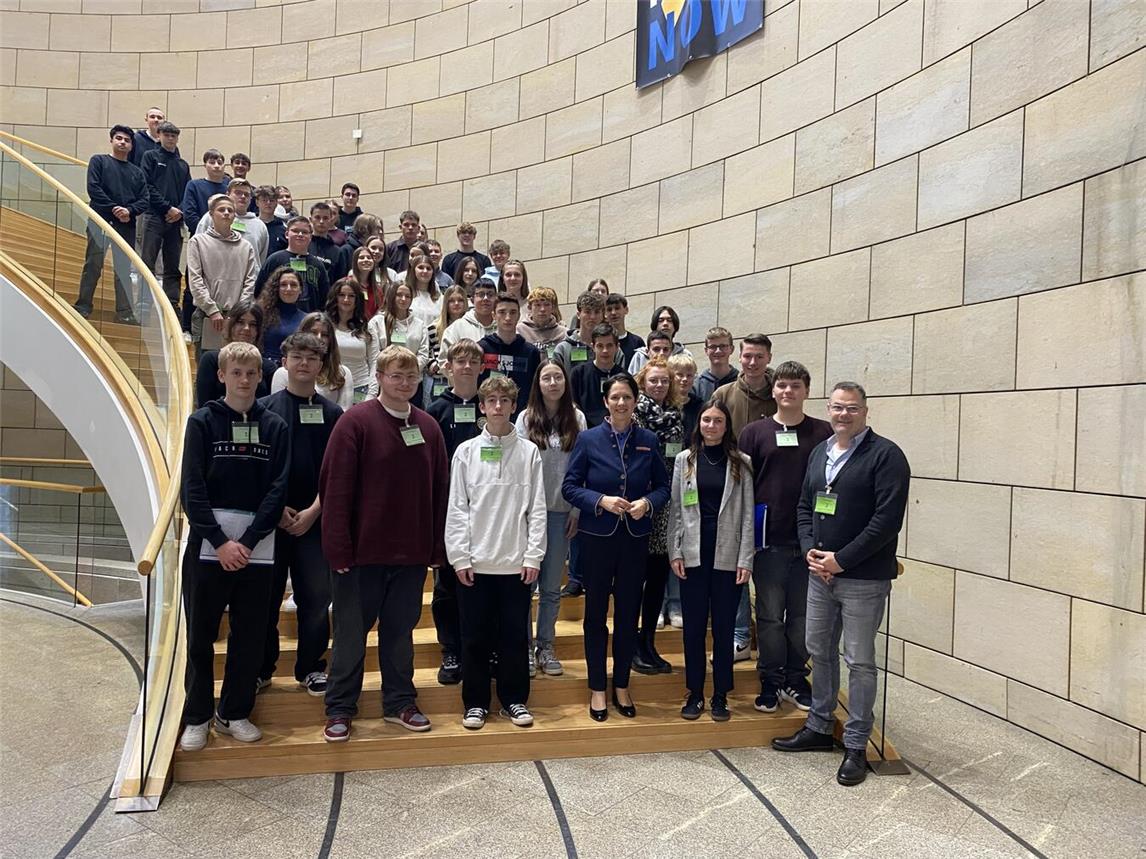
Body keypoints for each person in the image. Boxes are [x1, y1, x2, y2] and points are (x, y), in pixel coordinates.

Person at [772, 382, 910, 787]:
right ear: (828, 409)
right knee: (818, 649)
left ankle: (855, 744)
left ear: (865, 411)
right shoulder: (821, 451)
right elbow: (805, 506)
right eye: (837, 408)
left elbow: (886, 521)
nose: (843, 415)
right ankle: (819, 725)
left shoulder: (886, 456)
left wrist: (841, 560)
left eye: (851, 408)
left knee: (860, 661)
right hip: (819, 575)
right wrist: (810, 552)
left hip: (863, 578)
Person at [319, 345, 450, 741]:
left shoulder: (428, 427)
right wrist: (338, 549)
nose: (404, 383)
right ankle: (340, 708)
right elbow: (335, 489)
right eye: (396, 375)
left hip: (410, 556)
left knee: (399, 635)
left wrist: (436, 548)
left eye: (411, 376)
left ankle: (399, 702)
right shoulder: (354, 423)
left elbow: (440, 491)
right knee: (350, 636)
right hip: (361, 557)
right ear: (378, 378)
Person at [177, 341, 290, 752]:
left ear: (261, 377)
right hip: (209, 550)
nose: (244, 380)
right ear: (221, 375)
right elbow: (192, 488)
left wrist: (248, 541)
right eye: (236, 373)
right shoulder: (202, 422)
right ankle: (197, 716)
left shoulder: (275, 426)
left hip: (257, 552)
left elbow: (278, 489)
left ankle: (233, 713)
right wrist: (221, 542)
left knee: (249, 637)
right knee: (200, 637)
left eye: (251, 373)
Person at [562, 374, 670, 721]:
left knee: (627, 615)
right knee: (595, 616)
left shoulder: (648, 440)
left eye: (627, 397)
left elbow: (663, 487)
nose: (621, 403)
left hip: (634, 541)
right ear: (606, 402)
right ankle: (597, 688)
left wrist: (647, 504)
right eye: (615, 397)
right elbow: (570, 487)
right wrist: (601, 500)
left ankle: (621, 684)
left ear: (635, 401)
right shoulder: (588, 439)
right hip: (596, 539)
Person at [446, 375, 547, 730]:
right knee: (474, 637)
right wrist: (460, 557)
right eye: (492, 401)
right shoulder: (465, 452)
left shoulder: (529, 452)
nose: (499, 406)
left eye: (505, 400)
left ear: (514, 406)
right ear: (482, 407)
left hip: (516, 564)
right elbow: (457, 508)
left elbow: (537, 509)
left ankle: (514, 700)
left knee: (514, 637)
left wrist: (533, 556)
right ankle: (475, 703)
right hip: (476, 563)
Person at [739, 361, 833, 715]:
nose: (788, 391)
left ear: (807, 391)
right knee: (769, 617)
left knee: (802, 618)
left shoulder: (824, 432)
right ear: (773, 390)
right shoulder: (754, 433)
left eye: (795, 385)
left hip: (812, 545)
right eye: (782, 385)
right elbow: (742, 488)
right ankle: (770, 679)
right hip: (769, 541)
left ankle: (795, 677)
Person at [256, 332, 342, 697]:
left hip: (314, 520)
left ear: (321, 365)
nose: (304, 363)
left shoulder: (333, 414)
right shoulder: (262, 409)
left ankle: (311, 667)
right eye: (297, 356)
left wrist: (312, 512)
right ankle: (262, 668)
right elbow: (256, 469)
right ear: (284, 362)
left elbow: (337, 473)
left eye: (312, 357)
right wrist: (275, 511)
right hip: (270, 522)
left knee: (316, 600)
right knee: (265, 599)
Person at [667, 398, 754, 721]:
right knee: (692, 628)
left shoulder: (741, 462)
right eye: (706, 420)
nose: (711, 426)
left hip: (728, 555)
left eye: (718, 421)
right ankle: (694, 692)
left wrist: (746, 559)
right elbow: (677, 509)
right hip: (693, 554)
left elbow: (748, 514)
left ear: (726, 425)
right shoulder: (685, 460)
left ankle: (720, 695)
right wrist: (675, 550)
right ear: (699, 424)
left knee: (723, 627)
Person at [516, 359, 585, 678]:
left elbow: (583, 466)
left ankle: (546, 646)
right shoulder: (525, 418)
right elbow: (517, 467)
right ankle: (524, 648)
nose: (553, 382)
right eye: (547, 377)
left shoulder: (577, 418)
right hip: (529, 515)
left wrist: (577, 510)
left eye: (558, 377)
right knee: (525, 586)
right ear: (538, 383)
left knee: (551, 588)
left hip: (562, 512)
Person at [426, 339, 484, 685]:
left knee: (483, 583)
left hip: (487, 512)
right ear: (448, 367)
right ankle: (450, 650)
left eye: (472, 361)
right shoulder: (435, 410)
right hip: (449, 511)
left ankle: (480, 648)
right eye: (460, 361)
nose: (466, 367)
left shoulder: (490, 405)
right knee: (447, 585)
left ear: (481, 367)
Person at [631, 357, 686, 676]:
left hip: (668, 504)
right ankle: (632, 643)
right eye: (653, 380)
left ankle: (648, 641)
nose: (659, 385)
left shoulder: (676, 414)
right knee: (636, 582)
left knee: (656, 579)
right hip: (641, 503)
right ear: (643, 382)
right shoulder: (635, 414)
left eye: (664, 380)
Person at [75, 124, 147, 325]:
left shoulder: (137, 172)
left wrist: (129, 211)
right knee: (93, 263)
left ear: (131, 145)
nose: (123, 142)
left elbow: (144, 199)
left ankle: (125, 312)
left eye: (127, 140)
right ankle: (83, 306)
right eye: (119, 138)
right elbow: (93, 189)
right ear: (112, 140)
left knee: (123, 270)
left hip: (126, 225)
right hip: (100, 221)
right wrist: (115, 208)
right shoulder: (99, 161)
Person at [187, 195, 258, 357]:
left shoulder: (246, 246)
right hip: (207, 315)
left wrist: (237, 314)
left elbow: (250, 282)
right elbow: (195, 280)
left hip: (236, 317)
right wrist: (212, 310)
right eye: (221, 210)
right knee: (207, 364)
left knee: (236, 362)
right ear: (211, 214)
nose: (226, 213)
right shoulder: (197, 242)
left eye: (230, 210)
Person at [139, 120, 190, 316]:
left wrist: (179, 211)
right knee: (147, 261)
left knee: (172, 265)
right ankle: (144, 303)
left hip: (175, 221)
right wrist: (167, 208)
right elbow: (146, 185)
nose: (170, 138)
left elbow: (187, 192)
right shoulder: (150, 157)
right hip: (154, 216)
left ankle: (172, 304)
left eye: (173, 136)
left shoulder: (182, 165)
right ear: (159, 136)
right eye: (166, 135)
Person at [195, 301, 277, 407]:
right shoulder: (211, 360)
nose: (246, 328)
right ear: (230, 325)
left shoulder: (268, 367)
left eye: (253, 324)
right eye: (240, 322)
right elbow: (204, 405)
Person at [271, 312, 354, 410]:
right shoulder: (283, 372)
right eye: (313, 332)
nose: (319, 338)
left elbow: (344, 411)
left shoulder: (342, 372)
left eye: (324, 335)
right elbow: (278, 408)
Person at [478, 295, 540, 417]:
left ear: (519, 316)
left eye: (513, 312)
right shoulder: (482, 349)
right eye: (502, 312)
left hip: (522, 417)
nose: (508, 318)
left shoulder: (531, 352)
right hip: (489, 416)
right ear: (494, 316)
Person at [368, 280, 431, 401]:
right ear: (392, 296)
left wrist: (406, 372)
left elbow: (423, 355)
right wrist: (393, 372)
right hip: (386, 382)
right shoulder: (377, 322)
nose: (403, 299)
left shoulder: (420, 325)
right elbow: (374, 357)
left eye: (407, 296)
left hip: (412, 384)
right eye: (399, 295)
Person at [255, 216, 331, 311]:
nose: (300, 235)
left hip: (309, 317)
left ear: (310, 237)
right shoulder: (274, 260)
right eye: (295, 231)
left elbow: (325, 297)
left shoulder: (318, 265)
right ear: (287, 234)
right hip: (277, 316)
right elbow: (259, 292)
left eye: (304, 232)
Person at [711, 333, 776, 435]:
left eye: (759, 357)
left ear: (769, 358)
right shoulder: (722, 395)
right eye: (747, 356)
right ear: (740, 357)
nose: (753, 362)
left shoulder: (780, 396)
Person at [326, 277, 379, 401]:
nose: (346, 299)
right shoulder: (326, 326)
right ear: (335, 297)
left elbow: (375, 362)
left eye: (351, 296)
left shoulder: (367, 328)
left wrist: (372, 393)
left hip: (361, 387)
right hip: (330, 386)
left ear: (357, 300)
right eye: (341, 295)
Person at [195, 178, 269, 265]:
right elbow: (197, 247)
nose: (243, 196)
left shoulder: (260, 226)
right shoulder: (212, 216)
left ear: (250, 199)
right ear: (228, 195)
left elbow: (261, 258)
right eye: (238, 193)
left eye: (246, 194)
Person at [554, 291, 614, 379]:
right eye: (587, 312)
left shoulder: (612, 347)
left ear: (603, 315)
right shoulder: (563, 349)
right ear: (578, 315)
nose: (592, 317)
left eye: (597, 312)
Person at [569, 323, 620, 428]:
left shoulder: (623, 377)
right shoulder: (578, 374)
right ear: (593, 347)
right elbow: (573, 406)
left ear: (617, 347)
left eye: (609, 345)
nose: (605, 350)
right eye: (600, 346)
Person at [437, 278, 497, 365]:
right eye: (481, 294)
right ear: (472, 300)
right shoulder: (456, 328)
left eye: (490, 295)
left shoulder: (503, 327)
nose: (485, 298)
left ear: (496, 299)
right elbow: (444, 362)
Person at [425, 284, 468, 404]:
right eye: (451, 301)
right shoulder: (433, 328)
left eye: (460, 300)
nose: (456, 303)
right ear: (445, 304)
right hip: (440, 380)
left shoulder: (471, 327)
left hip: (465, 380)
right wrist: (433, 364)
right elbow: (425, 352)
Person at [259, 265, 307, 367]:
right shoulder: (262, 314)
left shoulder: (307, 320)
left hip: (293, 370)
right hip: (263, 368)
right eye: (283, 285)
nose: (288, 289)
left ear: (301, 290)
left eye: (293, 285)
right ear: (276, 288)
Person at [181, 148, 229, 236]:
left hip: (226, 236)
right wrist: (207, 232)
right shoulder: (194, 185)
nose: (216, 166)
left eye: (219, 163)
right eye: (212, 162)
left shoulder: (229, 187)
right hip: (200, 235)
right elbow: (189, 214)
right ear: (205, 165)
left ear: (224, 166)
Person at [694, 326, 739, 402]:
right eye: (713, 347)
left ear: (732, 349)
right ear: (706, 351)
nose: (718, 351)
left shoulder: (741, 382)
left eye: (723, 346)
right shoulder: (696, 386)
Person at [518, 287, 566, 356]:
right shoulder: (519, 331)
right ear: (529, 308)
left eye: (547, 305)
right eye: (537, 305)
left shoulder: (563, 334)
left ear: (553, 308)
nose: (542, 309)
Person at [346, 245, 387, 321]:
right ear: (355, 262)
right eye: (361, 257)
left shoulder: (378, 290)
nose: (366, 260)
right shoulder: (346, 285)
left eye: (369, 257)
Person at [605, 293, 644, 367]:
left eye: (617, 308)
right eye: (609, 309)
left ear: (626, 310)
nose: (613, 313)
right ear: (605, 313)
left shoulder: (637, 342)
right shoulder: (602, 342)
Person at [406, 250, 442, 328]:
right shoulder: (406, 296)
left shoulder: (440, 298)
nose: (425, 271)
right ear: (413, 270)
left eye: (428, 268)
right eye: (421, 268)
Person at [308, 202, 342, 276]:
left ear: (331, 220)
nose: (321, 221)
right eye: (317, 217)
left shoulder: (337, 252)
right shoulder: (303, 245)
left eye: (325, 218)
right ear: (310, 220)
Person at [255, 185, 287, 255]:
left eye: (272, 200)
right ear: (257, 202)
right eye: (264, 200)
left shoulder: (284, 228)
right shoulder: (251, 224)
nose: (268, 203)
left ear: (276, 203)